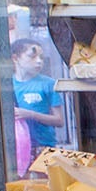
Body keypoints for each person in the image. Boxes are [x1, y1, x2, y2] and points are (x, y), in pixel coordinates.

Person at [11, 39, 62, 174]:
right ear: (15, 58)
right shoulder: (8, 85)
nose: (39, 61)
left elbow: (59, 120)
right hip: (18, 148)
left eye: (41, 57)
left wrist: (30, 114)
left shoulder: (48, 84)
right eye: (32, 56)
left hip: (44, 146)